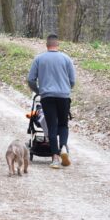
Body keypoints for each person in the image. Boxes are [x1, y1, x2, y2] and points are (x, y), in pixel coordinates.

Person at [27, 34, 76, 169]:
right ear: (57, 45)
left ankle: (55, 158)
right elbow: (72, 81)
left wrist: (39, 91)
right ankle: (64, 148)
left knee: (52, 126)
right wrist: (66, 89)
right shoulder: (66, 59)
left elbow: (31, 79)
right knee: (63, 124)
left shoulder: (39, 59)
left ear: (47, 45)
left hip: (47, 96)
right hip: (63, 96)